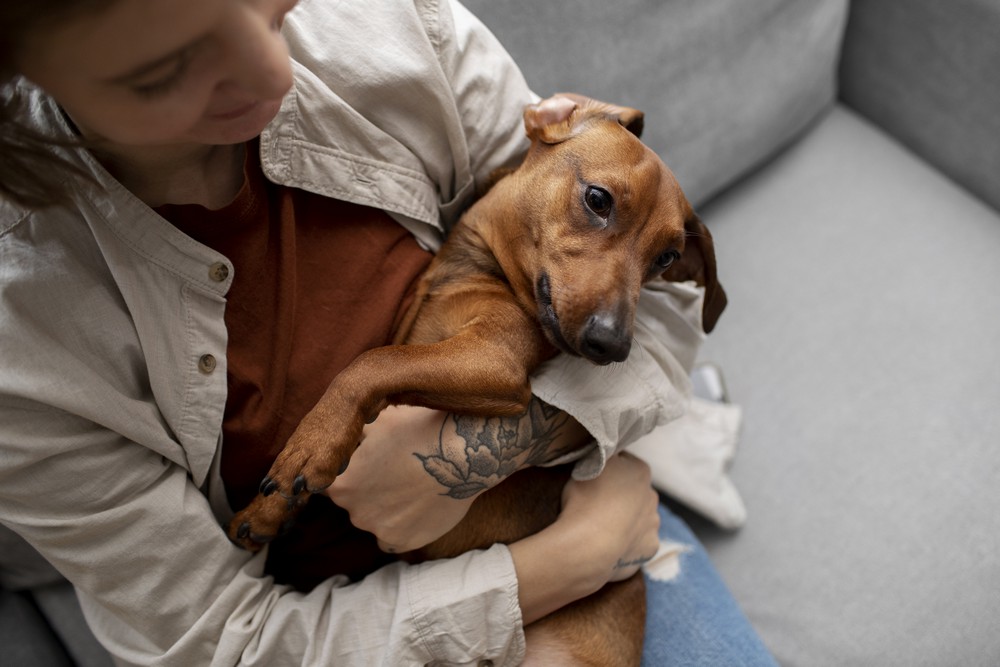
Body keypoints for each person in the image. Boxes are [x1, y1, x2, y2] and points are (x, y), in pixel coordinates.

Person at [0, 0, 777, 664]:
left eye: (267, 3)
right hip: (366, 621)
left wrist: (469, 462)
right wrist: (567, 559)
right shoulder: (26, 342)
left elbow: (664, 306)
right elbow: (225, 642)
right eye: (164, 68)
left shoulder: (388, 24)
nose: (280, 75)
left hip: (581, 501)